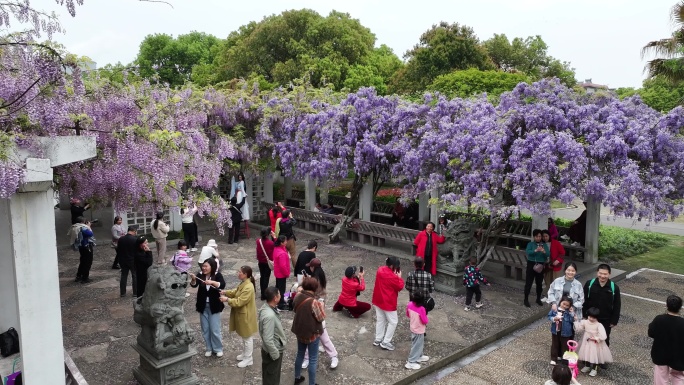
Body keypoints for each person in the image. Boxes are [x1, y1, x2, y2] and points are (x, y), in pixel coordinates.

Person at [301, 258, 339, 370]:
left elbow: (308, 292)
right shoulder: (320, 276)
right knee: (313, 334)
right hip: (318, 307)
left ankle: (333, 356)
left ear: (313, 267)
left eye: (310, 266)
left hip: (315, 309)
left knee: (321, 334)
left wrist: (305, 282)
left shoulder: (315, 281)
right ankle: (332, 356)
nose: (309, 267)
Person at [220, 265, 258, 368]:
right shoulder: (244, 283)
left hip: (245, 315)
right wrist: (226, 292)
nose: (238, 273)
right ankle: (245, 354)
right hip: (242, 314)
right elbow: (236, 292)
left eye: (239, 272)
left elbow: (240, 301)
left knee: (247, 337)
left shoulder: (248, 287)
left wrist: (227, 300)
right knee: (244, 336)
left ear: (245, 274)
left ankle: (248, 358)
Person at [292, 277, 326, 385]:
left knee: (300, 354)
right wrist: (322, 306)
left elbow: (294, 308)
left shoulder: (297, 296)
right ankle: (312, 383)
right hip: (312, 334)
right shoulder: (314, 302)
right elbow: (321, 318)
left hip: (300, 331)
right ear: (314, 288)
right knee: (313, 359)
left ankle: (297, 377)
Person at [189, 258, 226, 357]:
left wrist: (212, 282)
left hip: (214, 306)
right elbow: (194, 285)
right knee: (205, 328)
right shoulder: (200, 275)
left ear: (212, 267)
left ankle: (217, 348)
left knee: (215, 329)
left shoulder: (217, 275)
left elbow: (222, 284)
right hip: (202, 305)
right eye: (203, 266)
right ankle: (209, 348)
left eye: (206, 266)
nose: (204, 268)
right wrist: (193, 279)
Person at [583, 264, 621, 351]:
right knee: (589, 338)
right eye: (600, 273)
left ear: (609, 274)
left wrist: (614, 320)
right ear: (597, 272)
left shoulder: (614, 287)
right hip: (591, 319)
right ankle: (589, 358)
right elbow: (584, 301)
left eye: (605, 274)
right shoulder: (589, 284)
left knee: (604, 339)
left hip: (605, 319)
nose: (602, 276)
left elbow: (617, 305)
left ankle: (602, 360)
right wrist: (584, 315)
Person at [648, 295, 684, 385]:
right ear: (680, 308)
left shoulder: (659, 319)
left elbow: (651, 333)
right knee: (678, 376)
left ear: (667, 306)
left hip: (661, 353)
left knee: (661, 375)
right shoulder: (682, 323)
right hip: (678, 355)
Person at [372, 257, 405, 351]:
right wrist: (399, 278)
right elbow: (400, 286)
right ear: (392, 266)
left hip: (378, 299)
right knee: (393, 322)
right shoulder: (393, 277)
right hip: (388, 302)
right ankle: (386, 342)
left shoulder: (380, 269)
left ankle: (378, 339)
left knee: (380, 320)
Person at [259, 287, 286, 385]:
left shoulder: (266, 308)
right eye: (279, 294)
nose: (281, 295)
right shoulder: (269, 316)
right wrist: (275, 354)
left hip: (268, 350)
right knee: (272, 378)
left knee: (268, 376)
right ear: (275, 298)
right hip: (272, 351)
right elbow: (267, 338)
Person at [574, 307, 613, 377]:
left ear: (597, 317)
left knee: (595, 355)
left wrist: (596, 338)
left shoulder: (599, 325)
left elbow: (604, 335)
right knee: (586, 352)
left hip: (595, 343)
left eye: (593, 317)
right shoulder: (585, 322)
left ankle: (594, 369)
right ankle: (587, 366)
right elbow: (579, 329)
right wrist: (577, 321)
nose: (591, 319)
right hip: (586, 341)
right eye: (590, 317)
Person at [524, 229, 550, 307]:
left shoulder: (544, 245)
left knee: (539, 283)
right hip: (531, 263)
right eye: (537, 236)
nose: (538, 238)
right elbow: (528, 252)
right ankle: (526, 299)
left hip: (540, 264)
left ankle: (538, 298)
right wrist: (535, 250)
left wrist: (544, 252)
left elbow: (548, 254)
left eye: (540, 236)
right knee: (529, 282)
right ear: (534, 237)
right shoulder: (530, 244)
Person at [404, 292, 430, 370]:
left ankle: (419, 356)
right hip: (419, 329)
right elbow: (425, 320)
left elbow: (408, 314)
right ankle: (411, 362)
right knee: (416, 345)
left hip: (413, 327)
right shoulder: (421, 309)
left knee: (418, 343)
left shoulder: (409, 304)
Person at [548, 296, 576, 365]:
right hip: (555, 330)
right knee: (555, 344)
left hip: (566, 331)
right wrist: (554, 318)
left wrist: (572, 314)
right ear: (560, 302)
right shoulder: (555, 309)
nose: (565, 306)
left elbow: (572, 320)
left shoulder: (568, 312)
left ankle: (565, 359)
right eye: (564, 304)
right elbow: (549, 316)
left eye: (567, 305)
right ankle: (554, 358)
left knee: (565, 345)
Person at [117, 225, 139, 297]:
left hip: (123, 260)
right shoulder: (135, 240)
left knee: (124, 276)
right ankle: (135, 292)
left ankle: (122, 292)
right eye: (135, 232)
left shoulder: (121, 239)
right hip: (133, 260)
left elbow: (118, 251)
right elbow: (137, 251)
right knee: (135, 276)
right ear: (134, 231)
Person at [543, 230, 566, 295]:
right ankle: (548, 295)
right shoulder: (542, 244)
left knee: (556, 281)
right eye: (543, 236)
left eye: (546, 236)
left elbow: (562, 252)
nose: (545, 238)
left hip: (555, 265)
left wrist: (558, 260)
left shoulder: (555, 243)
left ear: (549, 236)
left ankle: (557, 296)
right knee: (547, 280)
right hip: (547, 265)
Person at [73, 217, 95, 284]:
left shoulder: (75, 227)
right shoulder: (83, 228)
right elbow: (90, 234)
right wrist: (89, 226)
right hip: (86, 246)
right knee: (88, 262)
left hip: (81, 246)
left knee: (82, 261)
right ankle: (85, 278)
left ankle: (79, 275)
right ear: (82, 222)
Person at [256, 228, 275, 300]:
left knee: (262, 276)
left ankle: (262, 293)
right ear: (268, 234)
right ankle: (264, 294)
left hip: (260, 261)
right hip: (267, 262)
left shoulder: (258, 241)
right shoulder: (270, 243)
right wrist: (274, 237)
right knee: (266, 278)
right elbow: (276, 245)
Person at [272, 235, 290, 310]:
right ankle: (281, 304)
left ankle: (277, 300)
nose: (286, 242)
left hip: (277, 272)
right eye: (285, 241)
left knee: (278, 287)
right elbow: (283, 266)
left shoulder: (277, 248)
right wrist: (287, 273)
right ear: (282, 243)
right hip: (281, 274)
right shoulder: (282, 253)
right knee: (281, 290)